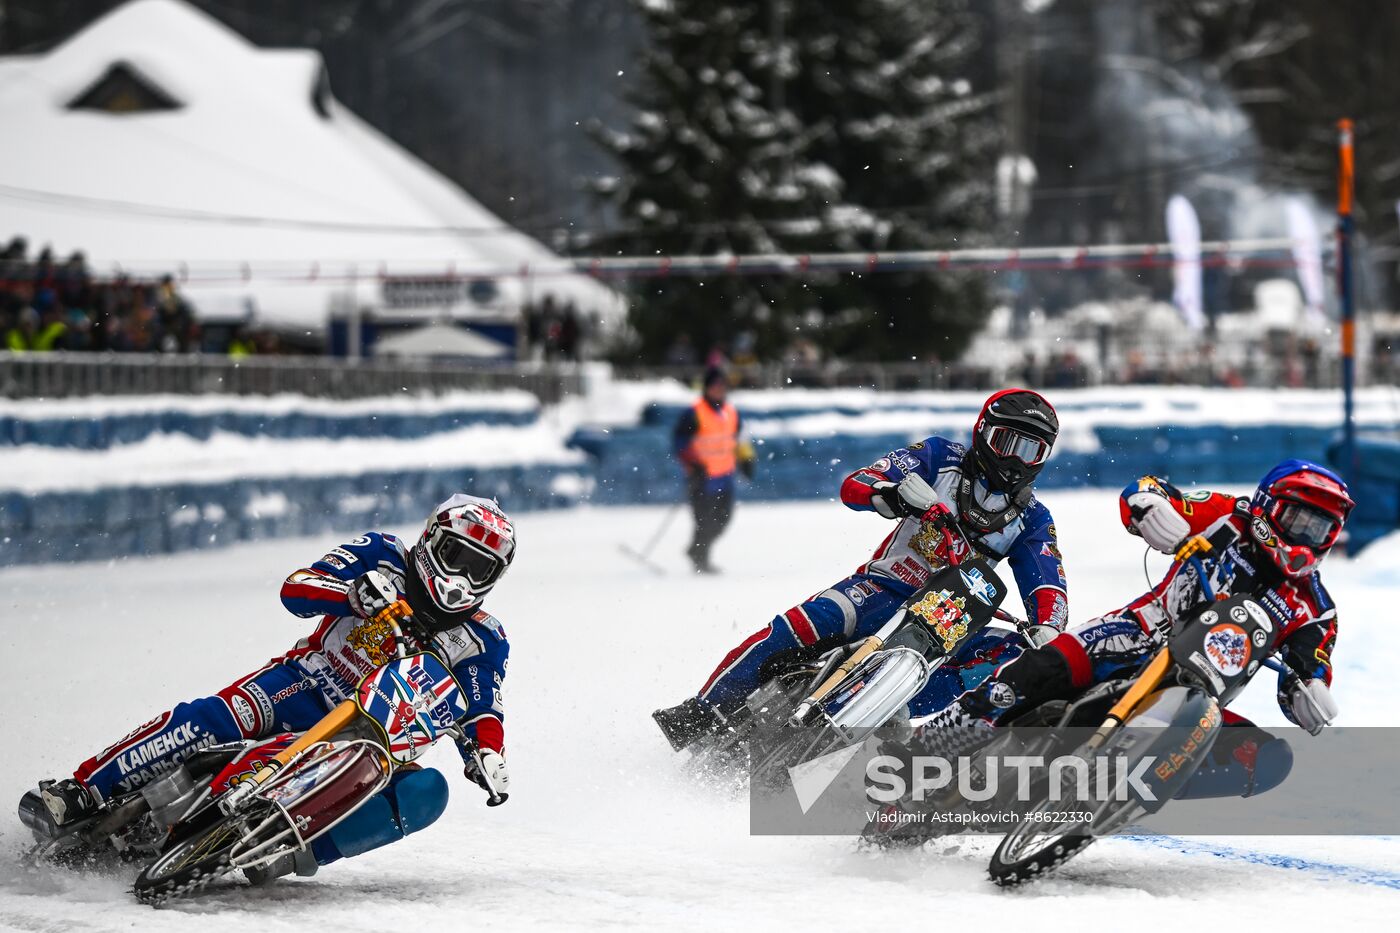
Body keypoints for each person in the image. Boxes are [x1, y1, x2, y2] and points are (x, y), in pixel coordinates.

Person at [32, 493, 516, 879]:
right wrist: (350, 594)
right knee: (208, 719)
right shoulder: (381, 553)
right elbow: (298, 587)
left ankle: (286, 855)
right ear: (431, 540)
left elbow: (482, 709)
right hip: (304, 682)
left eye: (480, 569)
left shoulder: (483, 638)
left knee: (427, 791)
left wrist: (488, 755)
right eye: (456, 557)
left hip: (371, 741)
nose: (461, 578)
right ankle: (83, 790)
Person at [654, 388, 1068, 749]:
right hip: (885, 587)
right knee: (799, 627)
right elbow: (858, 482)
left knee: (1013, 653)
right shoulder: (940, 456)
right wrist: (890, 495)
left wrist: (1048, 627)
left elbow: (1048, 582)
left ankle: (896, 709)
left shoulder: (1033, 518)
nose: (1016, 460)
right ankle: (701, 712)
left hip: (952, 616)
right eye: (1006, 442)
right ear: (982, 432)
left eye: (1032, 450)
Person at [915, 460, 1353, 799]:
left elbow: (1310, 665)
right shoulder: (1228, 516)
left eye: (1320, 529)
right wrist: (1151, 507)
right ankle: (927, 746)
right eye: (1299, 521)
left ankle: (1130, 792)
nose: (1305, 538)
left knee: (1268, 760)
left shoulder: (1315, 609)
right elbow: (1149, 490)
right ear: (1269, 506)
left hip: (1195, 696)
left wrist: (1308, 692)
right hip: (1132, 636)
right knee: (1031, 673)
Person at [673, 367, 755, 574]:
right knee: (704, 520)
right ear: (707, 388)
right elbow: (680, 444)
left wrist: (746, 459)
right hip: (701, 478)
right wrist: (693, 463)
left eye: (722, 386)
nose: (719, 390)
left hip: (724, 476)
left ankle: (695, 551)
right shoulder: (694, 413)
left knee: (723, 519)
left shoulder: (730, 412)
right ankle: (701, 559)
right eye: (715, 386)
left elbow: (740, 439)